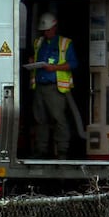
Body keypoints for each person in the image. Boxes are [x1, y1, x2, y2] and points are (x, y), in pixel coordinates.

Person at [29, 12, 78, 159]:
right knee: (40, 119)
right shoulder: (38, 42)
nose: (46, 32)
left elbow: (73, 63)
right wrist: (32, 61)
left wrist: (55, 68)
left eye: (48, 29)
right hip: (39, 86)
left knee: (58, 119)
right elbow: (35, 57)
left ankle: (62, 150)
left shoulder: (65, 43)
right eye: (44, 30)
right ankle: (41, 149)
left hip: (55, 87)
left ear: (55, 27)